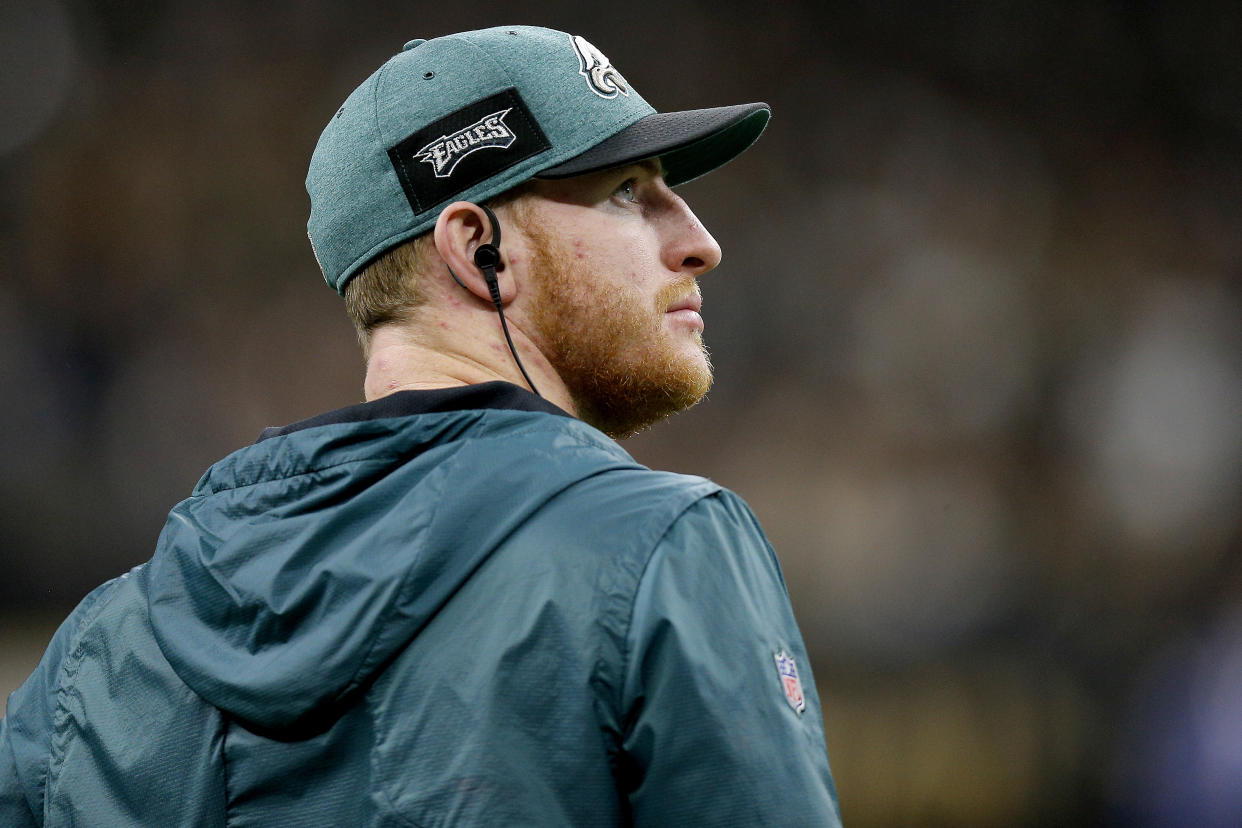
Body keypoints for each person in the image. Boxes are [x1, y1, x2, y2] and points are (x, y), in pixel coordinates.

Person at [0, 25, 843, 826]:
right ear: (481, 246)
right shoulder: (664, 549)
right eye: (628, 191)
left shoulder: (98, 653)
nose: (701, 242)